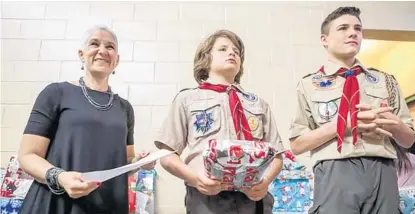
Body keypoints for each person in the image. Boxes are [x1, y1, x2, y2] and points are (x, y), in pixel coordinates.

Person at [288, 6, 415, 214]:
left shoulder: (386, 81)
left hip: (383, 170)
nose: (352, 33)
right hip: (336, 171)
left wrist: (393, 123)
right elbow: (297, 144)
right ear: (324, 40)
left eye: (358, 28)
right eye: (343, 28)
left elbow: (409, 141)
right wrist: (344, 125)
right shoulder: (309, 85)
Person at [17, 26, 155, 214]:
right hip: (56, 204)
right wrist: (60, 177)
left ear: (117, 61)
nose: (103, 51)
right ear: (82, 54)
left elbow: (125, 162)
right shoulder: (56, 93)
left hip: (107, 206)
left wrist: (139, 161)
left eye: (110, 47)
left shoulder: (125, 108)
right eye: (94, 43)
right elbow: (27, 156)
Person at [154, 29, 285, 214]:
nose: (232, 53)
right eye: (223, 49)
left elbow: (277, 155)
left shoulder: (258, 104)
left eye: (236, 51)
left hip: (253, 200)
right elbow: (166, 154)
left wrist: (265, 182)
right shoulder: (188, 99)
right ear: (206, 58)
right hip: (207, 199)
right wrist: (195, 179)